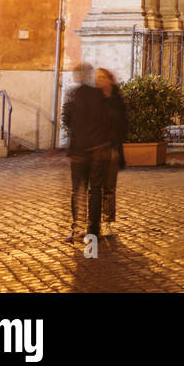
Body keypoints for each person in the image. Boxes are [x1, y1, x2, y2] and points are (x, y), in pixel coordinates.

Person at [65, 64, 112, 243]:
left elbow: (71, 123)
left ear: (79, 76)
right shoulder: (99, 95)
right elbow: (107, 122)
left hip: (79, 153)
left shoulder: (75, 95)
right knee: (95, 191)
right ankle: (93, 230)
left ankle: (77, 229)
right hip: (98, 150)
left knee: (77, 192)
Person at [98, 68, 127, 238]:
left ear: (110, 80)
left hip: (111, 149)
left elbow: (123, 125)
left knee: (109, 187)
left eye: (102, 77)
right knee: (94, 188)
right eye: (97, 78)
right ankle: (92, 220)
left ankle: (107, 221)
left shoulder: (117, 101)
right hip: (94, 149)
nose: (99, 81)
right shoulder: (93, 100)